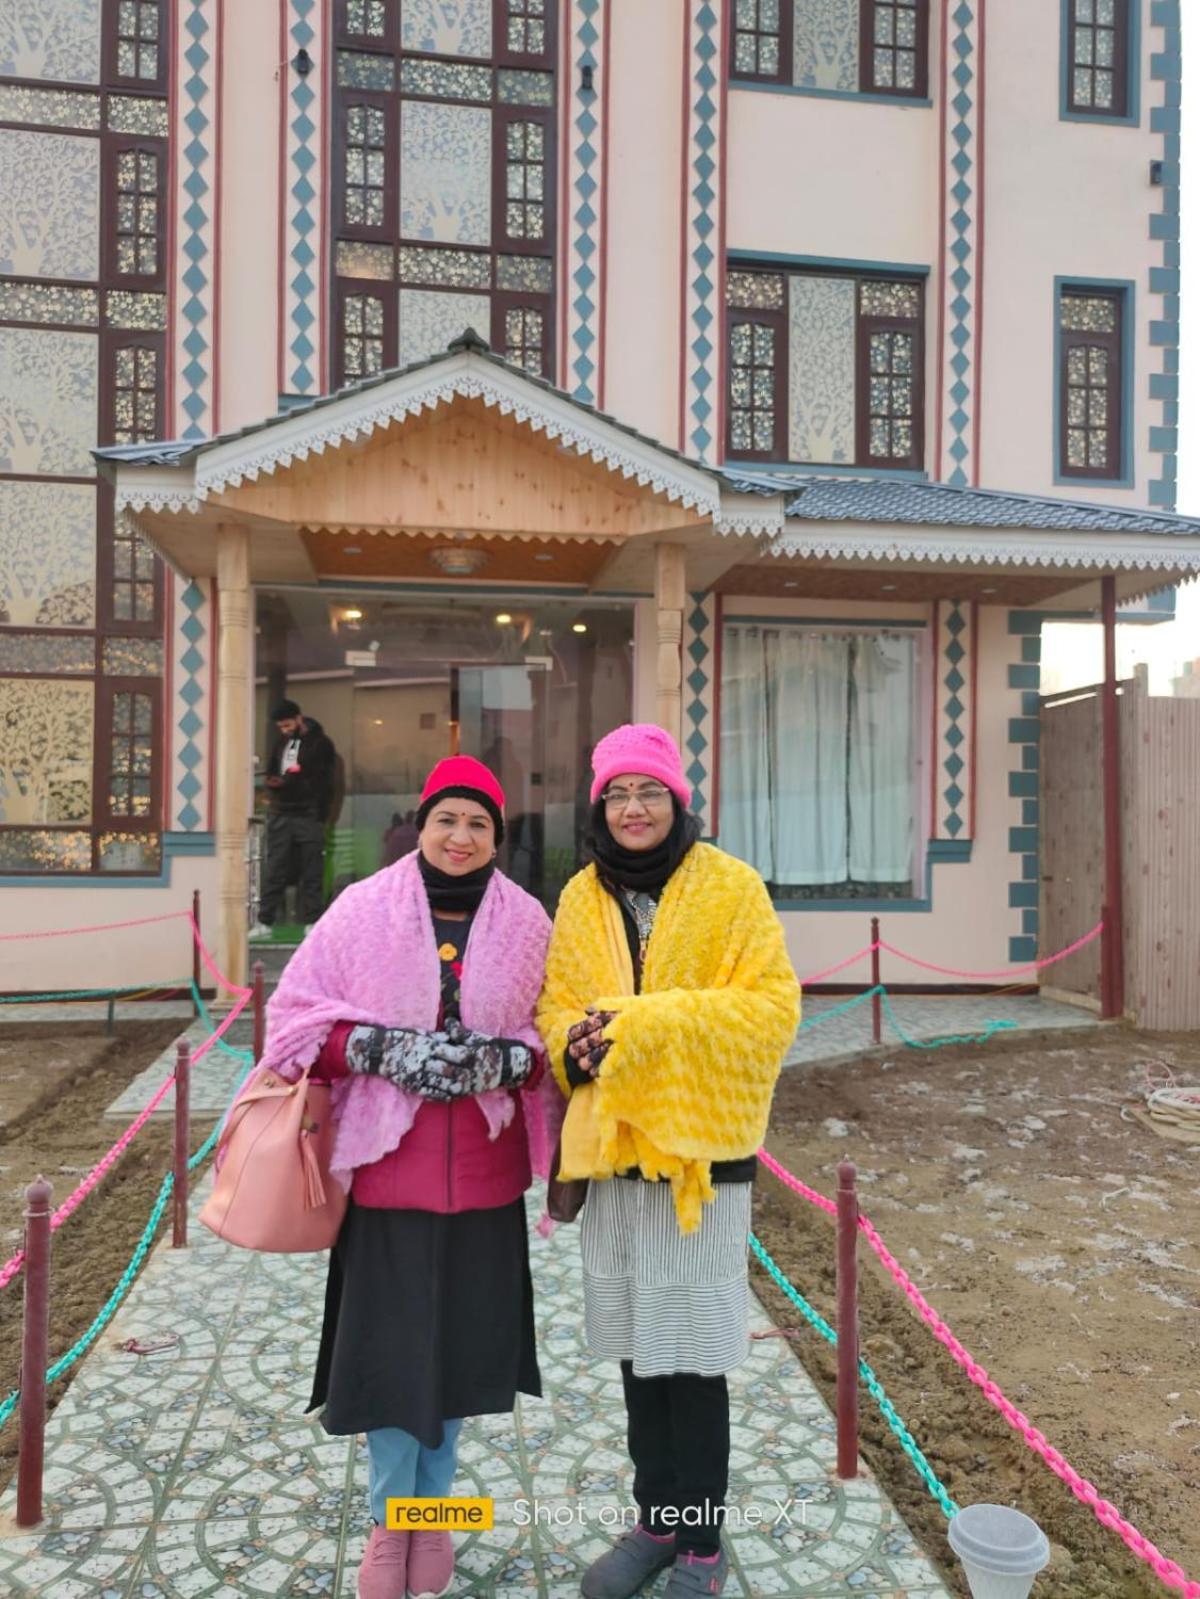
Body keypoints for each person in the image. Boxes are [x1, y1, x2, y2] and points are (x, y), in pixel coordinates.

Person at [256, 756, 562, 1599]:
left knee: (461, 1361)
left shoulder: (530, 920)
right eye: (447, 820)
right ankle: (391, 1529)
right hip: (388, 1179)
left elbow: (554, 1032)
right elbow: (291, 1020)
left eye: (479, 824)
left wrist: (510, 1060)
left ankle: (438, 1518)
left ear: (498, 838)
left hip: (489, 1185)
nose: (460, 838)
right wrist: (377, 1045)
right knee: (392, 1362)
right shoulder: (364, 908)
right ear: (420, 824)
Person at [537, 724, 800, 1599]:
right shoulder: (581, 896)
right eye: (617, 793)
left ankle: (702, 1539)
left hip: (698, 1165)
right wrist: (573, 1046)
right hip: (615, 1159)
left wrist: (646, 1026)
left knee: (689, 1356)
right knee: (636, 1353)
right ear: (599, 805)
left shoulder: (730, 887)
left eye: (649, 792)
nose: (634, 808)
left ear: (678, 801)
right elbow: (556, 1013)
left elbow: (769, 1011)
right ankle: (656, 1517)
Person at [250, 698, 337, 937]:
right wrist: (274, 783)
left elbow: (325, 781)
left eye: (288, 725)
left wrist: (321, 812)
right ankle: (265, 922)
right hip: (281, 812)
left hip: (308, 813)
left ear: (299, 718)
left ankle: (313, 920)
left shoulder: (321, 744)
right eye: (282, 727)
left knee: (312, 869)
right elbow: (271, 770)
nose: (285, 730)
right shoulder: (281, 743)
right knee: (275, 867)